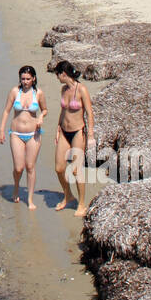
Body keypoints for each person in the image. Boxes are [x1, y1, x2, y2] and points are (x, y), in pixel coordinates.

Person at [0, 66, 48, 209]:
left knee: (30, 166)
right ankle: (16, 186)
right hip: (16, 134)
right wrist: (1, 130)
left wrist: (41, 116)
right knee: (19, 168)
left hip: (34, 134)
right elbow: (7, 111)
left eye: (28, 79)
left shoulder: (38, 93)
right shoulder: (15, 91)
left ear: (34, 79)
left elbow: (45, 109)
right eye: (23, 79)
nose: (25, 82)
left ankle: (30, 199)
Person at [53, 61, 94, 216]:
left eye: (57, 74)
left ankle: (82, 204)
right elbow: (63, 111)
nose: (57, 78)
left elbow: (89, 113)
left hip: (78, 132)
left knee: (76, 170)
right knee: (59, 168)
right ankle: (68, 196)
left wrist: (90, 136)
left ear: (64, 74)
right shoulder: (64, 89)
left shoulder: (81, 89)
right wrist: (58, 128)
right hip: (64, 131)